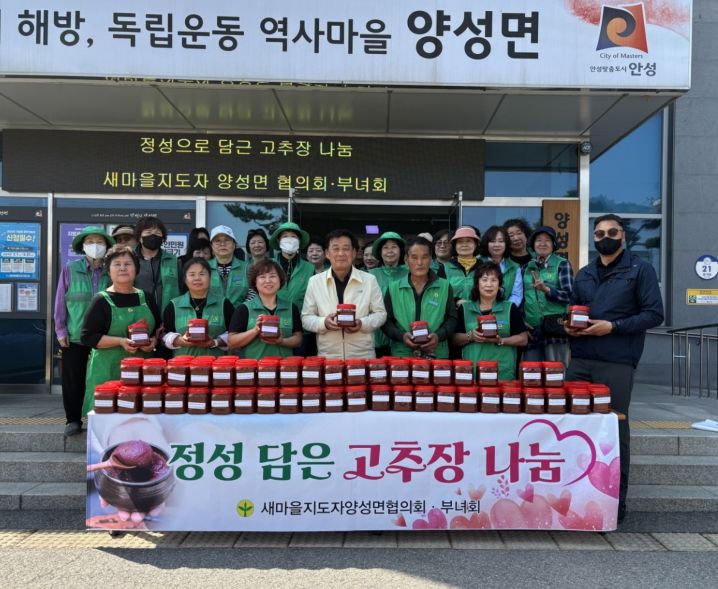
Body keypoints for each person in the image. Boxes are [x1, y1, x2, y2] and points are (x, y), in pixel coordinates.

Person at [565, 214, 664, 523]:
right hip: (580, 360)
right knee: (570, 428)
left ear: (623, 235)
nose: (604, 237)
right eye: (599, 233)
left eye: (611, 231)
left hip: (616, 361)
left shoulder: (640, 269)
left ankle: (613, 505)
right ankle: (572, 497)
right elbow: (574, 308)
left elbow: (654, 313)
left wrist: (614, 326)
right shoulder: (585, 273)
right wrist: (569, 325)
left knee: (614, 431)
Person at [80, 245, 160, 417]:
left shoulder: (146, 297)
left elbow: (158, 329)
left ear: (136, 269)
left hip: (142, 372)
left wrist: (153, 341)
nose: (123, 268)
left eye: (128, 264)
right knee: (108, 420)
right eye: (117, 264)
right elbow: (88, 337)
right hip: (108, 371)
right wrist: (120, 341)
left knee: (142, 418)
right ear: (108, 270)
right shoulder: (101, 300)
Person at [54, 226, 114, 436]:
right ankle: (73, 419)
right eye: (90, 242)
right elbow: (60, 301)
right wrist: (60, 329)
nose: (95, 245)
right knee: (73, 378)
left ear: (106, 246)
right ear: (82, 246)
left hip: (104, 336)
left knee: (103, 378)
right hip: (75, 334)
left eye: (99, 241)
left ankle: (102, 418)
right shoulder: (70, 269)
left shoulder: (111, 270)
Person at [302, 229, 387, 359]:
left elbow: (380, 314)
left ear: (354, 253)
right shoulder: (315, 282)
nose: (341, 253)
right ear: (327, 253)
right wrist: (324, 323)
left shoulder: (369, 280)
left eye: (346, 248)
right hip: (329, 357)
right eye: (335, 248)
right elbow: (306, 318)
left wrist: (361, 323)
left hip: (362, 356)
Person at [382, 236, 456, 358]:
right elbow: (385, 321)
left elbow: (452, 318)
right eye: (414, 257)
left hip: (436, 355)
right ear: (406, 260)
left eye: (424, 257)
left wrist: (438, 336)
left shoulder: (445, 286)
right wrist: (402, 336)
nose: (420, 263)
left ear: (431, 259)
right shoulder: (393, 288)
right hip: (402, 355)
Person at [451, 261, 528, 379]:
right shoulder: (464, 309)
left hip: (503, 373)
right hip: (472, 374)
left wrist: (500, 340)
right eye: (484, 280)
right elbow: (453, 339)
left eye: (494, 280)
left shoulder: (510, 308)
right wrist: (470, 336)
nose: (489, 284)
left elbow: (523, 339)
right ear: (477, 283)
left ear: (499, 285)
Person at [227, 259, 303, 358]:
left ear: (280, 280)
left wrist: (282, 341)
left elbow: (298, 339)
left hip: (285, 366)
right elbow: (231, 342)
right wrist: (255, 330)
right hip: (255, 366)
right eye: (262, 277)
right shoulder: (244, 309)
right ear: (255, 281)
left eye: (272, 276)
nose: (268, 281)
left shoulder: (291, 308)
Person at [162, 257, 234, 356]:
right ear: (185, 279)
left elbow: (234, 334)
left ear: (210, 277)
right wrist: (179, 341)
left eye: (202, 274)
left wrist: (215, 342)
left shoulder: (224, 304)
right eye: (192, 274)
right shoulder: (173, 305)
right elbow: (164, 335)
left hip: (216, 364)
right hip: (183, 364)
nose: (197, 278)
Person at [522, 226, 573, 365]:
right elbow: (521, 298)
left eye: (547, 240)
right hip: (532, 330)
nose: (542, 243)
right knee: (531, 373)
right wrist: (521, 322)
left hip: (554, 330)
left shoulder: (562, 264)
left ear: (554, 244)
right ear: (533, 244)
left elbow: (569, 296)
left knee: (555, 372)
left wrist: (547, 290)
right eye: (538, 240)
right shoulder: (525, 267)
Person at [370, 231, 409, 356]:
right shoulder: (370, 275)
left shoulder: (410, 273)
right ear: (380, 252)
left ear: (400, 251)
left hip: (404, 334)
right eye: (385, 248)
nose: (390, 251)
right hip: (377, 335)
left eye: (394, 247)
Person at [133, 216, 180, 315]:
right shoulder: (131, 259)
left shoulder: (173, 260)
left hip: (168, 316)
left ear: (162, 237)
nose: (153, 235)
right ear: (140, 237)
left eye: (157, 233)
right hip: (138, 316)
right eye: (148, 232)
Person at [268, 222, 315, 310]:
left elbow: (313, 298)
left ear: (299, 241)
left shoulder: (309, 268)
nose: (289, 240)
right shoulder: (268, 265)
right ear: (278, 241)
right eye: (285, 236)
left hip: (300, 316)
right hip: (272, 316)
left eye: (293, 237)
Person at [479, 225, 523, 307]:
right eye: (493, 241)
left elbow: (516, 295)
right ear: (486, 243)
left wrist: (504, 309)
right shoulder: (478, 262)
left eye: (501, 241)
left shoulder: (514, 267)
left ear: (506, 244)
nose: (497, 245)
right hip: (479, 310)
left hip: (505, 311)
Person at [208, 225, 248, 307]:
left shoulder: (247, 268)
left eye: (227, 240)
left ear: (234, 245)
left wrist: (242, 310)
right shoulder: (204, 268)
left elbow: (254, 294)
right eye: (217, 241)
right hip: (211, 314)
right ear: (211, 246)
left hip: (240, 314)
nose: (222, 244)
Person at [437, 226, 481, 302]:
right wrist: (456, 301)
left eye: (469, 241)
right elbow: (438, 294)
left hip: (479, 309)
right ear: (455, 246)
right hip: (452, 309)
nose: (464, 244)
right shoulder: (445, 268)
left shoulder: (484, 267)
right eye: (460, 242)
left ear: (476, 244)